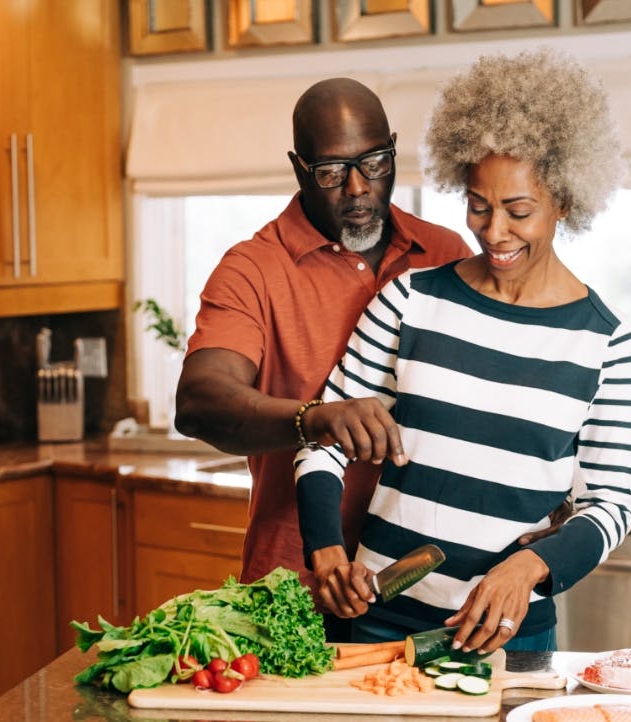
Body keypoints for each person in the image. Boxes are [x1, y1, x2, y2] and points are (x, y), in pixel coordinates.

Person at [294, 48, 631, 655]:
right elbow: (322, 442)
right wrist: (325, 548)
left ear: (564, 199)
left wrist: (527, 572)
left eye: (519, 210)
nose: (494, 231)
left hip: (509, 638)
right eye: (478, 205)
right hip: (378, 623)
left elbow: (609, 506)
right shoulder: (409, 299)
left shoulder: (608, 344)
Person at [172, 78, 473, 640]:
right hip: (298, 589)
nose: (358, 188)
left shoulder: (446, 255)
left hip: (427, 587)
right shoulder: (252, 270)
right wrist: (316, 418)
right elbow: (199, 402)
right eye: (332, 172)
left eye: (375, 164)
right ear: (298, 168)